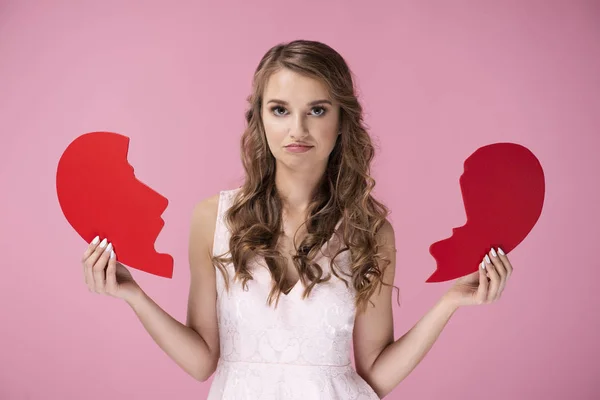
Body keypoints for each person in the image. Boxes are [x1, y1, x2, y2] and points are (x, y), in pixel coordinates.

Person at [80, 40, 513, 399]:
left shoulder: (370, 231)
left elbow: (375, 374)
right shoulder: (212, 218)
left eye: (318, 110)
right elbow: (201, 362)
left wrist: (450, 303)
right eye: (280, 109)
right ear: (260, 118)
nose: (298, 129)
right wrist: (133, 295)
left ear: (343, 119)